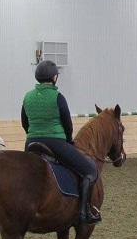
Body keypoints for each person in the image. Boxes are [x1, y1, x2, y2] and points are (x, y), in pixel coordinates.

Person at [21, 60, 100, 225]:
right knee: (90, 170)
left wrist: (34, 134)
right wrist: (68, 140)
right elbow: (67, 123)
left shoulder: (27, 96)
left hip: (31, 143)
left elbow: (24, 122)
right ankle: (84, 213)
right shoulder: (57, 97)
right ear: (54, 77)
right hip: (55, 143)